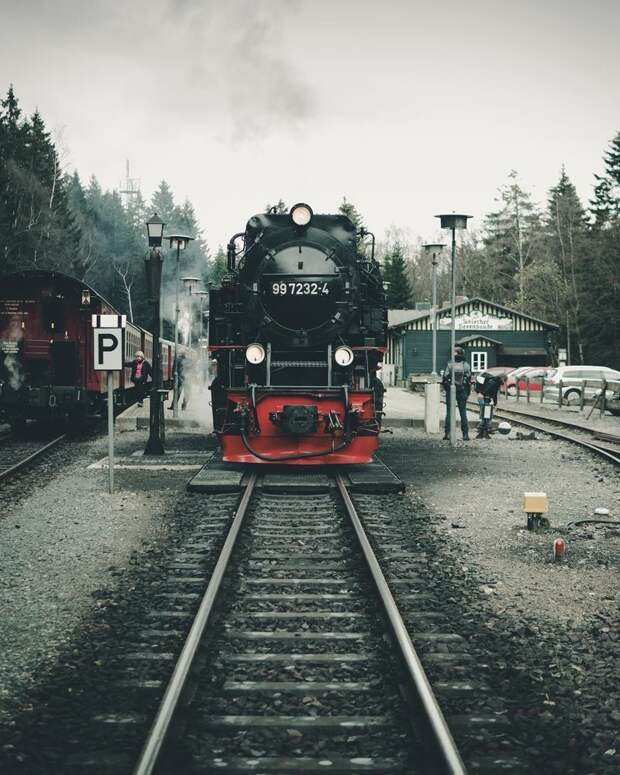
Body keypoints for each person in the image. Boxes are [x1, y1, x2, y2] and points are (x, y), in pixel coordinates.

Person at [441, 346, 471, 441]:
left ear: (456, 354)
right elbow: (469, 380)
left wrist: (447, 389)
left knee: (449, 412)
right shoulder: (466, 365)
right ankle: (465, 434)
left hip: (451, 391)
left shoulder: (450, 365)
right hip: (462, 391)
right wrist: (467, 392)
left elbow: (445, 378)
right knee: (463, 413)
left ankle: (447, 433)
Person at [474, 371, 506, 439]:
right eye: (504, 380)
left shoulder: (495, 382)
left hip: (484, 398)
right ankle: (484, 431)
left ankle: (483, 430)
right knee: (486, 415)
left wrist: (495, 402)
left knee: (486, 415)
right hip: (483, 398)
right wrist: (484, 395)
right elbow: (488, 391)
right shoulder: (493, 382)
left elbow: (494, 394)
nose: (504, 382)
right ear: (502, 378)